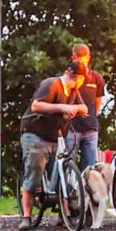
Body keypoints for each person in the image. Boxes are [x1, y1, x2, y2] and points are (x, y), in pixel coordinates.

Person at [18, 61, 89, 217]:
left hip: (57, 136)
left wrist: (74, 109)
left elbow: (84, 108)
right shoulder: (51, 84)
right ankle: (26, 216)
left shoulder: (73, 91)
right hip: (36, 133)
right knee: (33, 174)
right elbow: (36, 106)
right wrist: (62, 108)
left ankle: (65, 214)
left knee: (61, 171)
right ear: (79, 78)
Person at [59, 42, 107, 177]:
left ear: (88, 58)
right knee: (69, 165)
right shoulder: (68, 77)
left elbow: (97, 103)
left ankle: (87, 196)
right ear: (73, 58)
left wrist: (92, 118)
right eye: (78, 58)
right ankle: (69, 195)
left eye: (83, 58)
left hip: (90, 128)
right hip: (71, 128)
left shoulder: (97, 78)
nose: (81, 61)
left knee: (90, 168)